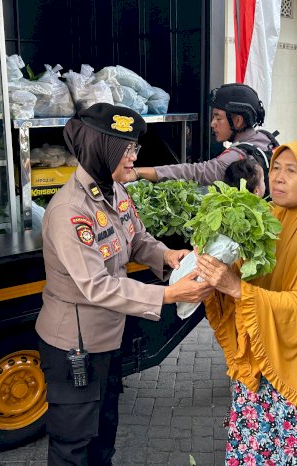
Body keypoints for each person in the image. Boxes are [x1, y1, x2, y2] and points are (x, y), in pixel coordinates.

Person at [36, 103, 213, 466]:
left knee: (103, 430)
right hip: (76, 346)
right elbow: (97, 286)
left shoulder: (113, 190)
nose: (133, 157)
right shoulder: (71, 210)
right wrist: (169, 294)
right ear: (102, 147)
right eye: (127, 148)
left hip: (107, 337)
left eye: (134, 148)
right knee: (74, 442)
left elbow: (136, 238)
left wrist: (166, 255)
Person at [195, 141, 297, 465]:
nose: (278, 177)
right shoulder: (275, 215)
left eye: (292, 171)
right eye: (276, 168)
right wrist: (218, 264)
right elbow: (256, 276)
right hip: (264, 360)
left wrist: (236, 288)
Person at [134, 83, 278, 186]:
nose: (212, 123)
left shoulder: (235, 158)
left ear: (238, 120)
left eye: (218, 117)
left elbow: (194, 172)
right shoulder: (265, 139)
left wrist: (138, 172)